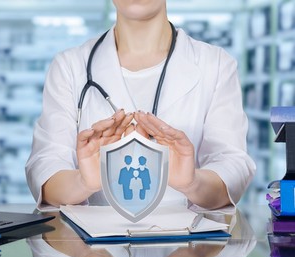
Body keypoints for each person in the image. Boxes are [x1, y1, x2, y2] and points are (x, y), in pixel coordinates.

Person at [25, 0, 256, 211]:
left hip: (188, 249)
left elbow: (233, 164)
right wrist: (83, 182)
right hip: (95, 252)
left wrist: (193, 183)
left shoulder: (215, 65)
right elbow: (45, 167)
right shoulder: (70, 67)